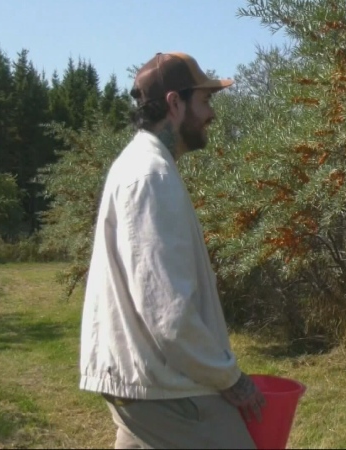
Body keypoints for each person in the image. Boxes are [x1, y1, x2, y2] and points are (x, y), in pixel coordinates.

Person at [79, 52, 265, 449]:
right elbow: (168, 314)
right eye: (205, 101)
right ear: (174, 104)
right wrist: (231, 379)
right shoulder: (150, 176)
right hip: (165, 388)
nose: (211, 114)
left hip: (145, 382)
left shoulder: (141, 166)